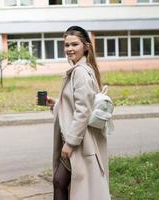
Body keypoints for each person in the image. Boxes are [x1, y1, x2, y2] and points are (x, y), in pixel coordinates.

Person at [46, 26, 111, 200]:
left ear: (86, 47)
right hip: (80, 140)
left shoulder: (80, 72)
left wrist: (70, 143)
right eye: (66, 45)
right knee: (62, 183)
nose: (69, 49)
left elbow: (83, 110)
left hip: (80, 142)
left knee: (61, 183)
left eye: (74, 44)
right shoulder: (81, 70)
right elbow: (78, 104)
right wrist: (57, 105)